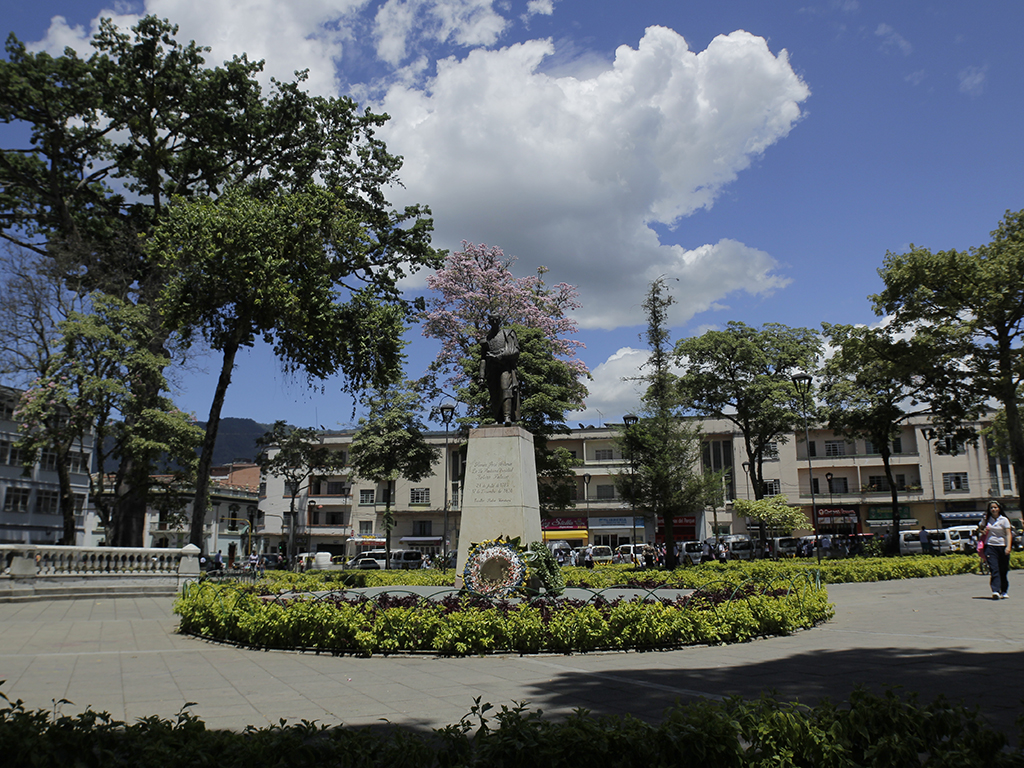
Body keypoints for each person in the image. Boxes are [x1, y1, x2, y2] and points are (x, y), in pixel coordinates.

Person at [480, 316, 520, 425]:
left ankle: (507, 417)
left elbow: (516, 351)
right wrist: (481, 376)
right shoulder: (486, 339)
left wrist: (501, 356)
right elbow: (483, 358)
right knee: (495, 394)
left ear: (500, 320)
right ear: (488, 321)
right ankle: (498, 418)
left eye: (496, 319)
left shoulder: (508, 334)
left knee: (506, 389)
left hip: (505, 367)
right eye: (492, 320)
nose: (494, 322)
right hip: (492, 369)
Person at [979, 500, 1012, 599]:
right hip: (990, 546)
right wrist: (982, 530)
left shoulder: (1004, 520)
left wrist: (1008, 547)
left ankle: (1004, 591)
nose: (993, 509)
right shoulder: (986, 519)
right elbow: (980, 529)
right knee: (994, 569)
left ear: (999, 509)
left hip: (1002, 546)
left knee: (1003, 570)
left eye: (995, 507)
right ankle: (995, 590)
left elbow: (1008, 534)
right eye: (991, 508)